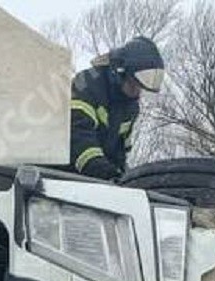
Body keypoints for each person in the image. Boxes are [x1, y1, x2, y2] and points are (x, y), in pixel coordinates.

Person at [69, 36, 165, 180]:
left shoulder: (130, 107)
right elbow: (76, 135)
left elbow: (120, 152)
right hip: (63, 175)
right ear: (120, 72)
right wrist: (104, 172)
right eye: (134, 84)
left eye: (141, 88)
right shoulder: (86, 84)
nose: (137, 92)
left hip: (96, 181)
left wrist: (125, 177)